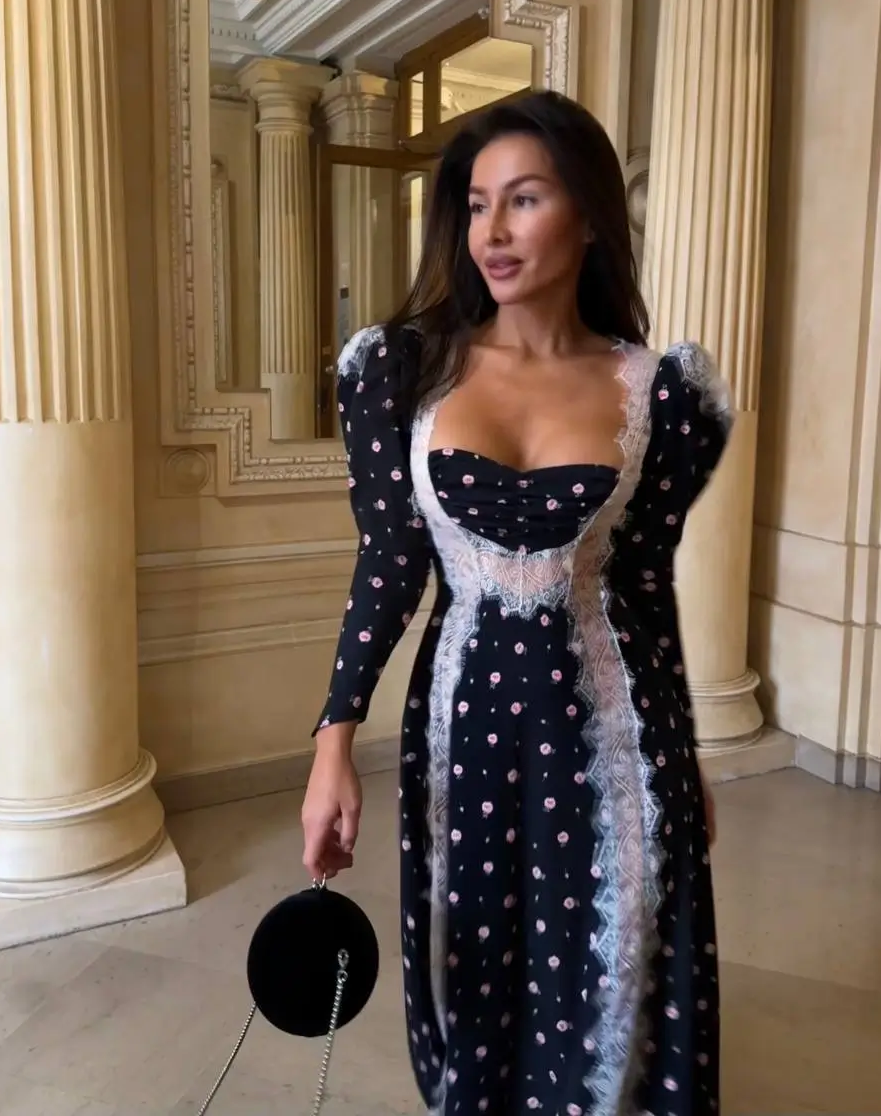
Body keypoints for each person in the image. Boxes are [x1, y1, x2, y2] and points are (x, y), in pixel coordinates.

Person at [301, 90, 728, 1116]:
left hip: (614, 736)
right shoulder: (402, 370)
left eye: (524, 199)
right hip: (466, 733)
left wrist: (687, 754)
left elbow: (644, 588)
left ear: (588, 217)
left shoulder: (658, 391)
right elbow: (389, 564)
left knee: (612, 962)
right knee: (479, 968)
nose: (490, 231)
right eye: (476, 204)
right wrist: (332, 742)